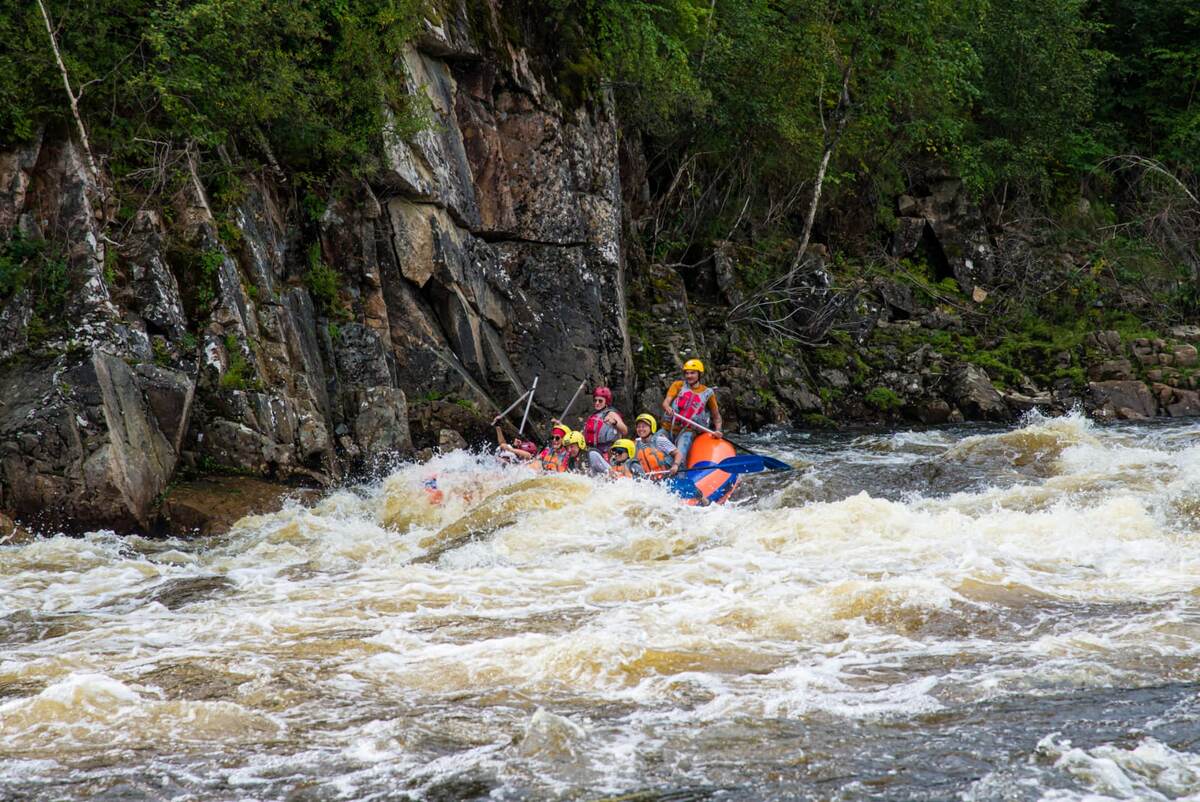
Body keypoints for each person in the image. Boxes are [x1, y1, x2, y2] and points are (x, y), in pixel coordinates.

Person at [661, 358, 722, 467]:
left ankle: (680, 473)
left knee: (681, 452)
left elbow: (716, 416)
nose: (689, 376)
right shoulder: (678, 385)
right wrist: (667, 407)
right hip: (669, 427)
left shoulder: (708, 393)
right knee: (653, 443)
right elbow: (666, 402)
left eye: (692, 373)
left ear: (699, 374)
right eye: (687, 373)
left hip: (687, 431)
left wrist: (718, 430)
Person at [557, 386, 627, 457]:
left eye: (600, 401)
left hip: (607, 451)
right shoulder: (592, 416)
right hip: (591, 450)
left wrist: (615, 422)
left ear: (606, 401)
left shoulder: (611, 413)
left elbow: (625, 430)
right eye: (595, 400)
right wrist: (562, 427)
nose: (597, 403)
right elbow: (580, 436)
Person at [632, 413, 678, 478]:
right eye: (638, 427)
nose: (641, 429)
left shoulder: (660, 440)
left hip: (667, 478)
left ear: (651, 427)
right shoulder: (635, 444)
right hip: (649, 483)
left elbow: (677, 453)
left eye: (644, 426)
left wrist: (675, 465)